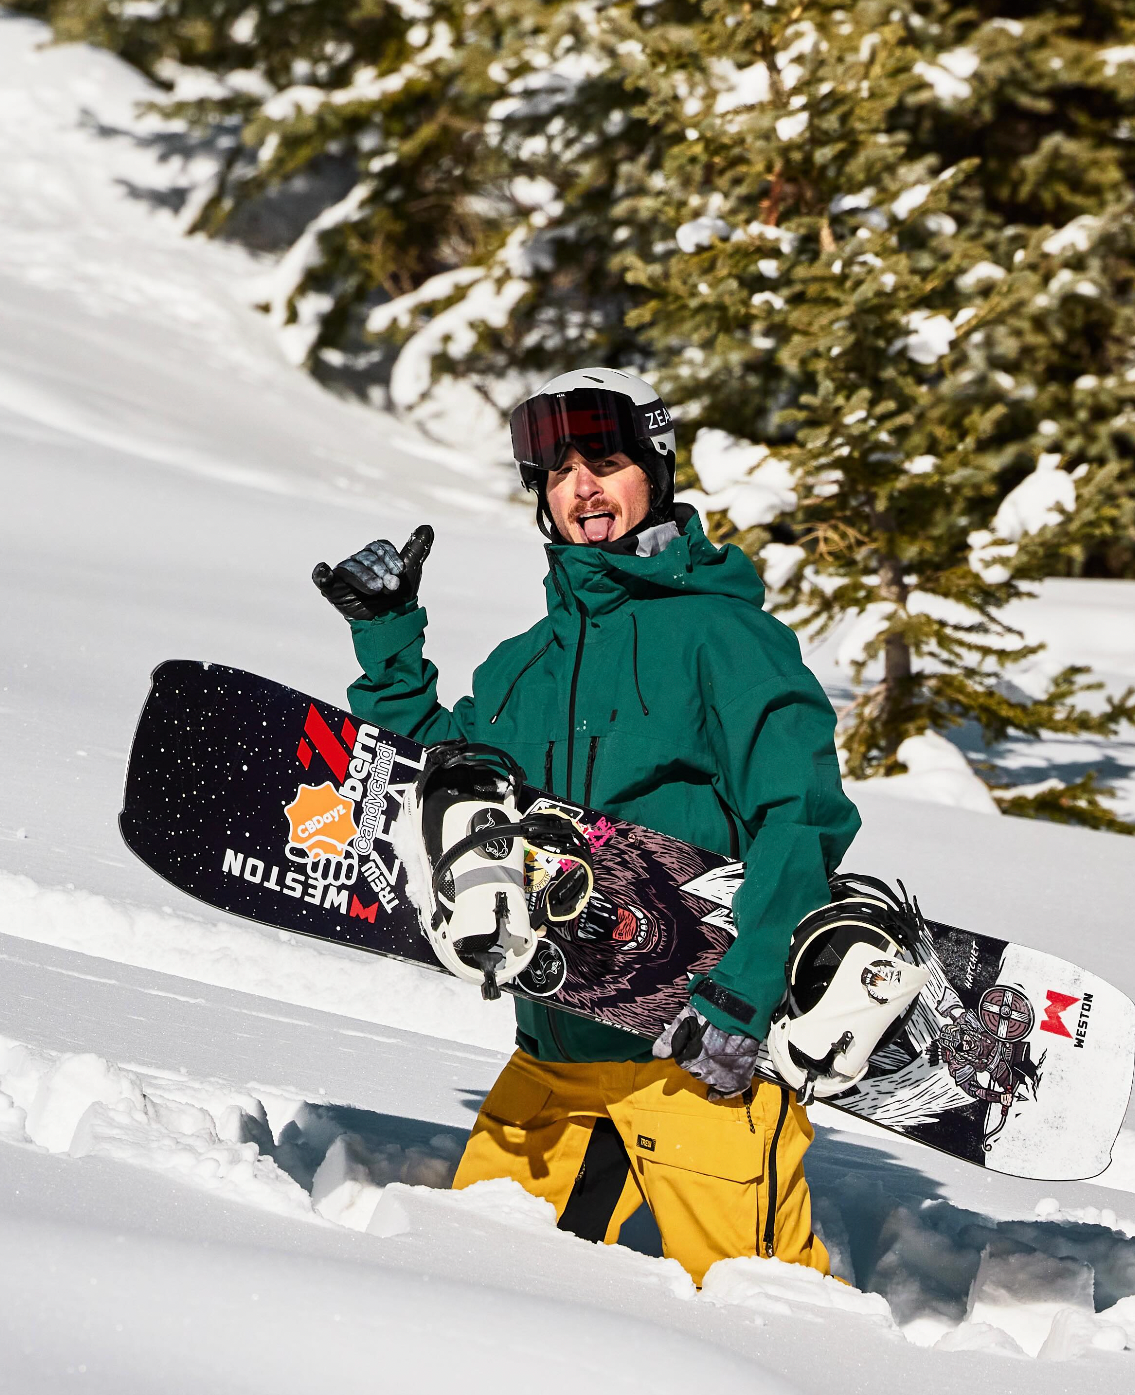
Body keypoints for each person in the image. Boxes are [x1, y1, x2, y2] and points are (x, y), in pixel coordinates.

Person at [313, 367, 860, 1285]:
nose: (581, 488)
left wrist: (747, 989)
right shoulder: (529, 662)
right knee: (477, 1292)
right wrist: (389, 639)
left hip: (695, 1061)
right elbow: (444, 782)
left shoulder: (725, 639)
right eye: (559, 471)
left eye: (604, 462)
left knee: (766, 1313)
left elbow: (800, 817)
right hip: (553, 1052)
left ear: (655, 472)